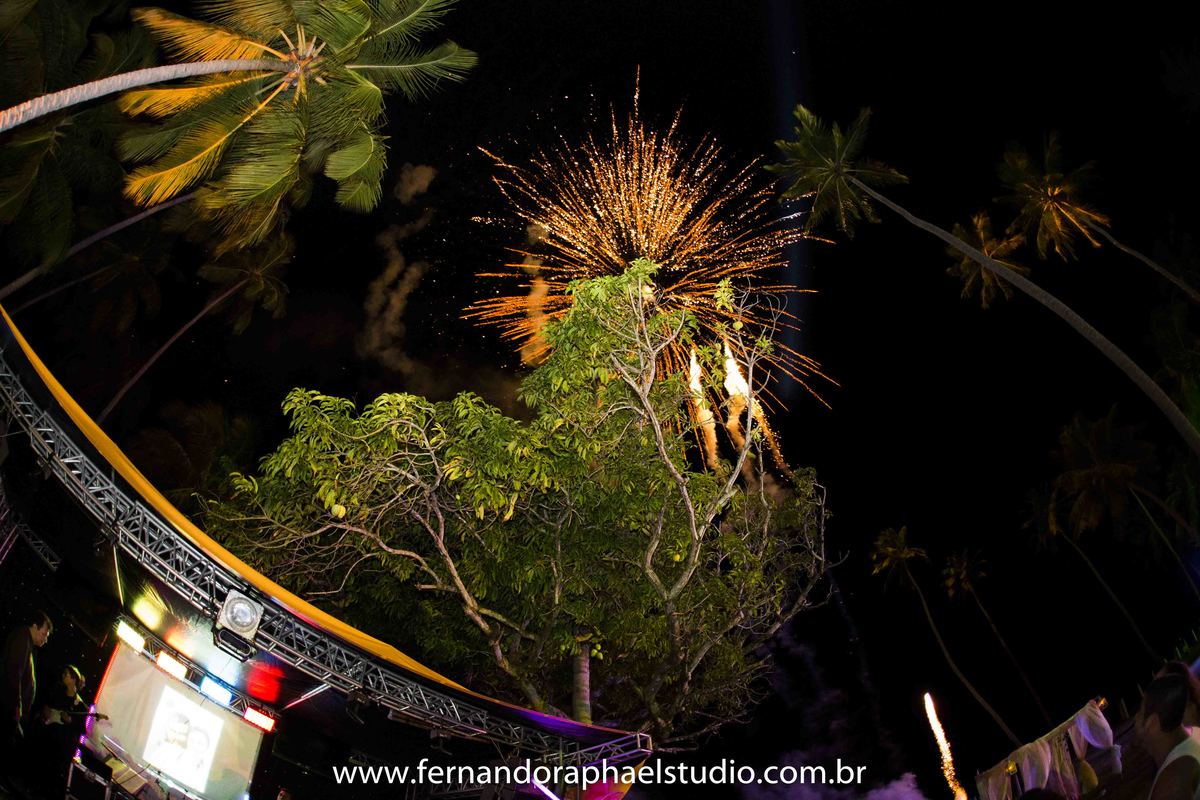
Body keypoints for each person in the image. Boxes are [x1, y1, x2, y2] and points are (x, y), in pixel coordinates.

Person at [1, 610, 52, 788]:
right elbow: (14, 673)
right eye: (44, 633)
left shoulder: (27, 642)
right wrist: (16, 708)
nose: (45, 639)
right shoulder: (22, 639)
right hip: (8, 707)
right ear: (34, 626)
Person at [1137, 673, 1200, 800]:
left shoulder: (1171, 784)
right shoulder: (1195, 733)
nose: (1136, 717)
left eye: (1140, 712)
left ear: (1152, 723)